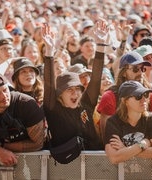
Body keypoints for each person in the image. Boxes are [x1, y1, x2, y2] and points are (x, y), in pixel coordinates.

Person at [43, 21, 107, 150]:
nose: (75, 93)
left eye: (78, 89)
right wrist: (49, 52)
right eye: (70, 89)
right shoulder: (54, 109)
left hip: (93, 163)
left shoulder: (86, 103)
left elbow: (95, 78)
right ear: (60, 94)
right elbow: (49, 85)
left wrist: (100, 46)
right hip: (66, 167)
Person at [0, 72, 45, 167]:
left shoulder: (26, 104)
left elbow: (38, 143)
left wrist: (2, 147)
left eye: (5, 90)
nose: (4, 96)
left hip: (32, 162)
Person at [97, 51, 152, 141]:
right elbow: (107, 138)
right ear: (123, 73)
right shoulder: (110, 97)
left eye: (142, 68)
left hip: (147, 151)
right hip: (118, 152)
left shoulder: (151, 95)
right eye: (135, 69)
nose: (140, 73)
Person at [104, 80, 152, 164]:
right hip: (120, 174)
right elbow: (114, 157)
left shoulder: (151, 118)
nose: (144, 100)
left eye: (145, 95)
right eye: (138, 96)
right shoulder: (113, 122)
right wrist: (143, 144)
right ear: (125, 101)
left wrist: (125, 149)